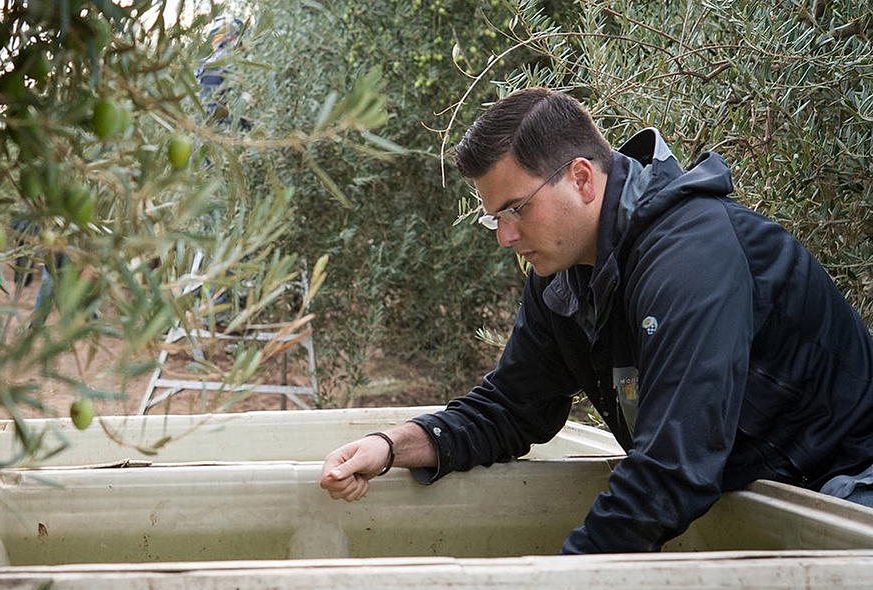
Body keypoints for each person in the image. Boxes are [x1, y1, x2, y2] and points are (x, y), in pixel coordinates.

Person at [319, 87, 873, 554]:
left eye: (516, 209)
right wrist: (392, 447)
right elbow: (513, 409)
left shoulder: (689, 256)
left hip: (846, 492)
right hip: (754, 498)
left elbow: (671, 468)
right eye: (495, 218)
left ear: (582, 179)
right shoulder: (560, 278)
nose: (506, 237)